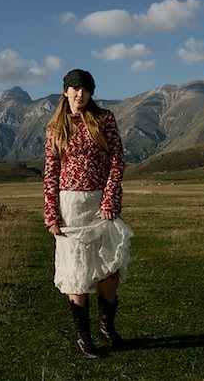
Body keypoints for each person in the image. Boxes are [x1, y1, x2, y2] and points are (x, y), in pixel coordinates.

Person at [44, 69, 133, 358]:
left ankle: (106, 326)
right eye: (75, 89)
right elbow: (50, 173)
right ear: (66, 91)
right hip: (70, 206)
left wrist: (109, 200)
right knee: (76, 272)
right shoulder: (55, 127)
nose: (80, 94)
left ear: (92, 92)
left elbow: (117, 161)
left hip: (100, 204)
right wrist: (52, 215)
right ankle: (83, 338)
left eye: (86, 89)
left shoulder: (104, 119)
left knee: (109, 268)